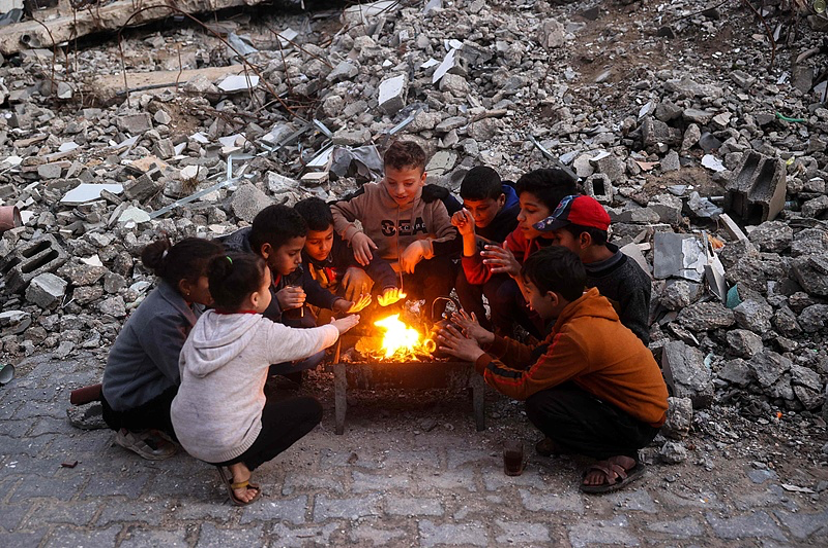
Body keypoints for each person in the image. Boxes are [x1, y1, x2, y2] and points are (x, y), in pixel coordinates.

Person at [438, 246, 668, 494]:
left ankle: (622, 454)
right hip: (620, 404)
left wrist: (476, 356)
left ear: (552, 298)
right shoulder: (581, 309)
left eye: (529, 292)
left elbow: (522, 385)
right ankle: (583, 438)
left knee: (541, 405)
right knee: (548, 386)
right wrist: (490, 340)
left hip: (637, 423)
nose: (526, 300)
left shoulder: (578, 335)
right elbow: (536, 357)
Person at [171, 253, 360, 505]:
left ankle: (225, 449)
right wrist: (337, 328)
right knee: (310, 409)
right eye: (268, 287)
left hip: (186, 433)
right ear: (256, 298)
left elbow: (184, 367)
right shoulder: (261, 332)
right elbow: (307, 342)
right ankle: (242, 467)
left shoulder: (204, 321)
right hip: (222, 441)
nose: (272, 291)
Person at [101, 236, 224, 461]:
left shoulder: (190, 296)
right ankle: (133, 432)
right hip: (129, 405)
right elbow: (187, 376)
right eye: (213, 278)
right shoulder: (162, 318)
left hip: (159, 378)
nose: (221, 283)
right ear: (186, 285)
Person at [221, 204, 369, 380]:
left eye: (300, 252)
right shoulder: (236, 270)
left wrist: (335, 302)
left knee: (310, 341)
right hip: (237, 353)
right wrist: (276, 304)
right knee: (312, 351)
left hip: (269, 329)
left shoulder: (281, 256)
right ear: (266, 250)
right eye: (293, 254)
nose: (299, 260)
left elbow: (305, 283)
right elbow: (238, 328)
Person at [331, 140, 458, 321]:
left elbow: (453, 238)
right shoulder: (369, 195)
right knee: (369, 325)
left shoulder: (432, 202)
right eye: (391, 183)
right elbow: (332, 210)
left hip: (418, 271)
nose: (399, 191)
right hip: (380, 272)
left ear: (422, 179)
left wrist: (424, 246)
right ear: (384, 176)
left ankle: (432, 321)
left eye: (408, 183)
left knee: (442, 268)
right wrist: (354, 234)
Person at [459, 168, 578, 337]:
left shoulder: (573, 249)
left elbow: (549, 307)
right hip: (540, 315)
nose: (519, 217)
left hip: (568, 331)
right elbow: (475, 275)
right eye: (521, 209)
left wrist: (519, 274)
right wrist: (468, 235)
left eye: (530, 211)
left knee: (505, 291)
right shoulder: (523, 234)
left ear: (556, 213)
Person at [535, 194, 652, 344]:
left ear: (584, 240)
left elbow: (638, 340)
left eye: (558, 238)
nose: (554, 245)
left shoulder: (630, 280)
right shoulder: (570, 264)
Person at [293, 197, 404, 308]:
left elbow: (376, 263)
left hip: (345, 300)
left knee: (360, 278)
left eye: (328, 238)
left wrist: (389, 286)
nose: (324, 247)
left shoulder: (341, 243)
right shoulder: (295, 256)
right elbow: (310, 287)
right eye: (315, 242)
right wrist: (338, 303)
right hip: (318, 303)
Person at [450, 166, 520, 332]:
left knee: (496, 291)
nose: (475, 215)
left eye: (482, 209)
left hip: (513, 274)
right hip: (483, 266)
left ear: (501, 200)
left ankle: (504, 334)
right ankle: (479, 328)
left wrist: (470, 236)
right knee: (462, 281)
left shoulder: (517, 219)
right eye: (469, 208)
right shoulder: (468, 215)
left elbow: (477, 273)